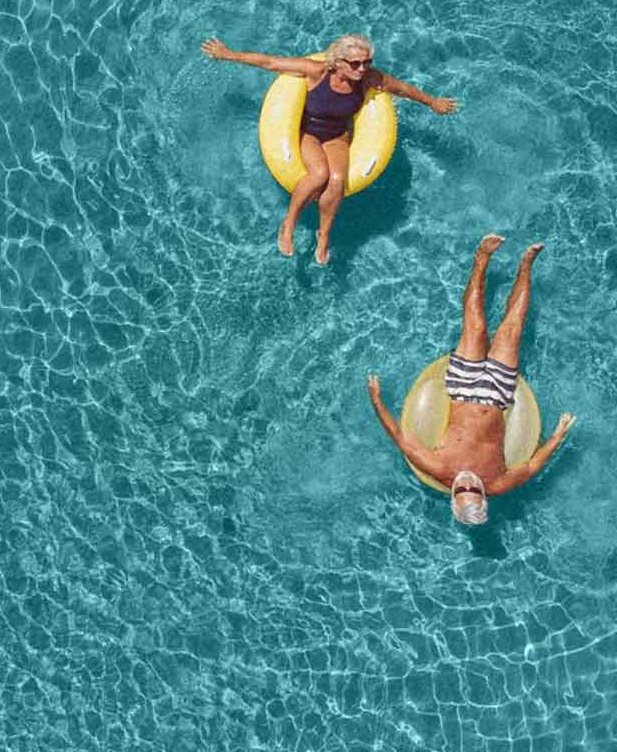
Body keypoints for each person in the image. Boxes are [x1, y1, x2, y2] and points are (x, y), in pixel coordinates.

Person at [366, 235, 576, 525]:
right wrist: (558, 434)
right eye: (473, 489)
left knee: (475, 324)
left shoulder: (438, 468)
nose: (468, 482)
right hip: (499, 395)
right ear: (483, 495)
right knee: (512, 328)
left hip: (462, 389)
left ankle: (481, 259)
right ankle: (526, 264)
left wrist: (376, 398)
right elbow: (531, 466)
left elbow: (399, 436)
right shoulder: (498, 483)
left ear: (452, 495)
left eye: (462, 489)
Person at [201, 33, 460, 264]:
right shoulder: (317, 72)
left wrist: (432, 102)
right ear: (337, 62)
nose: (362, 68)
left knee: (337, 181)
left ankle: (323, 235)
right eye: (355, 63)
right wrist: (228, 54)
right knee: (319, 175)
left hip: (337, 136)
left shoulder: (369, 78)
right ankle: (288, 223)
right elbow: (270, 62)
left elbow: (403, 88)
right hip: (308, 133)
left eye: (367, 62)